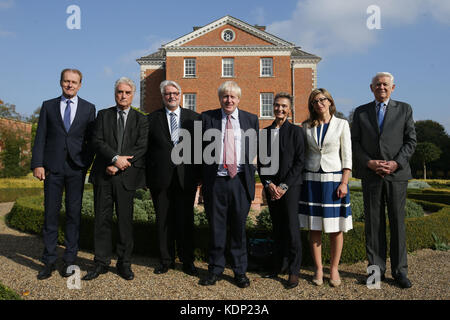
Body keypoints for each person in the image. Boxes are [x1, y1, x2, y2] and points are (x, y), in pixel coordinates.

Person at [351, 72, 416, 289]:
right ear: (371, 88)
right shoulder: (360, 112)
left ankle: (400, 272)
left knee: (397, 223)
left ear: (393, 87)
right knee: (373, 225)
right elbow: (355, 143)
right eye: (377, 84)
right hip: (371, 175)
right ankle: (375, 273)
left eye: (385, 84)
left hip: (397, 175)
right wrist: (369, 163)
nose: (381, 87)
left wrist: (396, 163)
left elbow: (410, 141)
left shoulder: (405, 109)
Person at [31, 69, 96, 280]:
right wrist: (38, 164)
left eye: (74, 82)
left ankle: (69, 260)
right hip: (52, 168)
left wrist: (85, 162)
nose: (70, 85)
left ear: (80, 85)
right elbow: (40, 136)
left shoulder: (88, 108)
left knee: (73, 216)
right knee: (50, 215)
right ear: (61, 82)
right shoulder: (48, 106)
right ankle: (49, 260)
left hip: (76, 169)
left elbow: (90, 141)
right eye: (66, 81)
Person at [83, 77, 148, 281]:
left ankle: (124, 263)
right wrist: (113, 159)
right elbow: (96, 141)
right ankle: (101, 263)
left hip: (126, 177)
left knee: (125, 223)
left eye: (127, 92)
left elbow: (141, 146)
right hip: (104, 174)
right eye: (120, 92)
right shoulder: (103, 115)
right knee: (101, 221)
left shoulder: (141, 119)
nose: (123, 95)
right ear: (115, 93)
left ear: (133, 95)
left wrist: (120, 164)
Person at [199, 81, 259, 288]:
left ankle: (239, 271)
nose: (229, 100)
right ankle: (215, 269)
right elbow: (198, 151)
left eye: (233, 97)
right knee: (216, 228)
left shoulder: (251, 119)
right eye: (225, 96)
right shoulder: (208, 118)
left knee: (238, 229)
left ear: (239, 99)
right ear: (220, 98)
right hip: (215, 181)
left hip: (240, 182)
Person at [299, 88, 352, 287]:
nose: (319, 103)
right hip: (311, 178)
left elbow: (347, 156)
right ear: (311, 105)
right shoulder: (306, 126)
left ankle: (334, 268)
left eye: (322, 99)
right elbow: (303, 154)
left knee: (335, 227)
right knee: (314, 226)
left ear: (330, 102)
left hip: (334, 180)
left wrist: (344, 182)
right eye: (314, 101)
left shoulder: (342, 124)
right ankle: (319, 268)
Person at [146, 80, 201, 276]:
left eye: (175, 93)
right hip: (160, 179)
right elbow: (146, 151)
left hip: (186, 178)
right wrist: (147, 179)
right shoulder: (152, 119)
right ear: (163, 96)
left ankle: (188, 261)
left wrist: (200, 176)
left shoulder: (195, 119)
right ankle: (165, 260)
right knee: (163, 221)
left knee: (186, 221)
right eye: (168, 93)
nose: (172, 96)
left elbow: (200, 150)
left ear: (180, 95)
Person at [258, 92, 305, 289]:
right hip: (272, 189)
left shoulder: (296, 131)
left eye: (284, 106)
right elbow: (261, 163)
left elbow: (299, 161)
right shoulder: (264, 133)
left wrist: (283, 187)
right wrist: (269, 184)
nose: (280, 109)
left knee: (292, 229)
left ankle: (294, 271)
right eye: (277, 105)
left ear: (290, 109)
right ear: (273, 108)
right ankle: (279, 265)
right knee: (277, 227)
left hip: (290, 188)